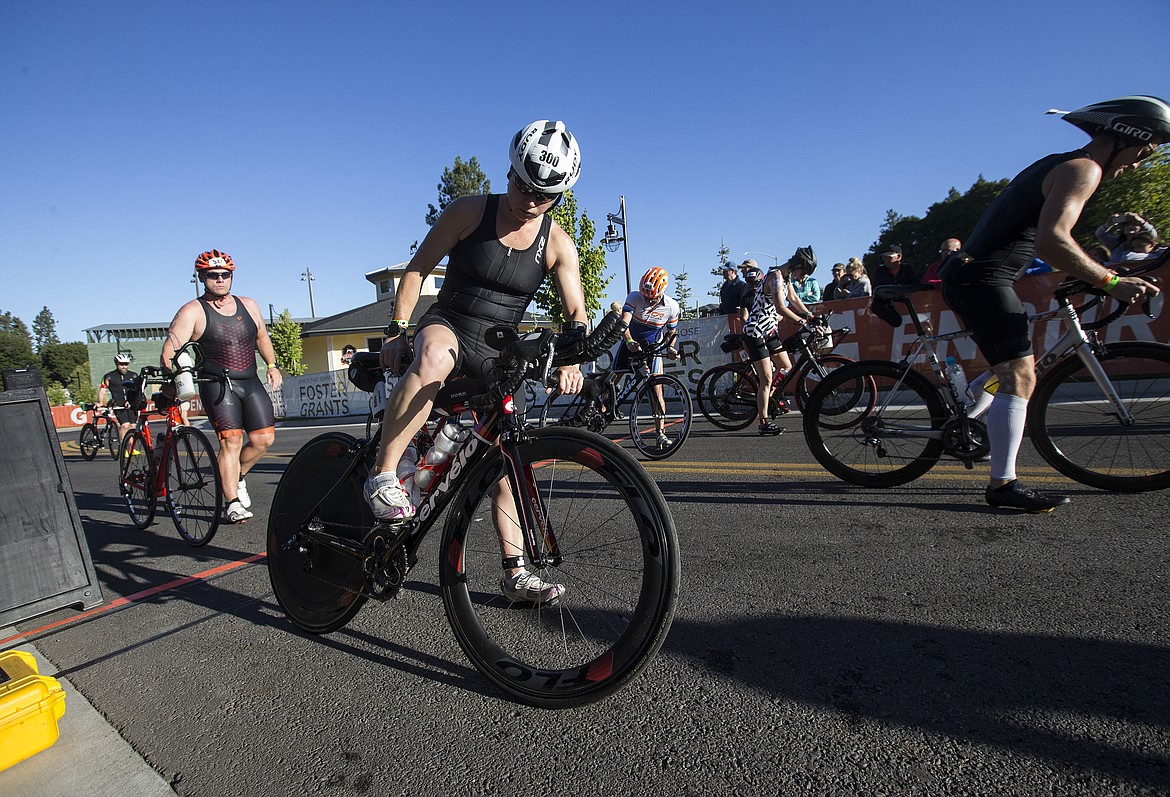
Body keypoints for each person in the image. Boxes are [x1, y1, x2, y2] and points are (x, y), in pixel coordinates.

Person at [364, 120, 587, 605]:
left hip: (497, 352)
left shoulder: (558, 243)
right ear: (508, 171)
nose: (529, 199)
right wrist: (397, 329)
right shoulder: (469, 211)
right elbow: (418, 268)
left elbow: (576, 313)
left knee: (507, 462)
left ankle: (516, 572)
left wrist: (572, 359)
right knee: (435, 356)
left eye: (543, 194)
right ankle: (382, 474)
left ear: (559, 196)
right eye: (521, 184)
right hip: (449, 323)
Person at [940, 95, 1165, 513]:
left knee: (1017, 362)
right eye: (1146, 149)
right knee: (1020, 376)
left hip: (982, 274)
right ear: (1126, 137)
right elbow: (1052, 240)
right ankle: (1002, 485)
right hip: (983, 277)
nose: (1140, 162)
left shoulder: (1065, 162)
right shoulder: (1085, 169)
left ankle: (970, 408)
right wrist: (1111, 279)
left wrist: (1093, 276)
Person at [162, 249, 283, 524]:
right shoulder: (192, 311)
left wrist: (272, 365)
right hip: (216, 385)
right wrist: (178, 376)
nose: (219, 279)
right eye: (213, 275)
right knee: (231, 441)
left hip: (249, 381)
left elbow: (262, 336)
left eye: (224, 275)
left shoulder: (249, 305)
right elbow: (170, 349)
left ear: (231, 276)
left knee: (264, 440)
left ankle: (236, 476)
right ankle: (232, 502)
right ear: (202, 277)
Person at [742, 248, 816, 436]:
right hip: (755, 332)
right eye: (804, 272)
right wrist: (802, 322)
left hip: (770, 331)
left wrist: (810, 315)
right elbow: (781, 306)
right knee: (766, 378)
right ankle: (763, 422)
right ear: (797, 266)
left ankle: (770, 398)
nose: (803, 277)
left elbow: (794, 299)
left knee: (786, 367)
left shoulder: (787, 279)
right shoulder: (775, 277)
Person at [616, 267, 681, 449]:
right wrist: (628, 341)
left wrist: (670, 348)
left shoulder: (672, 306)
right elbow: (625, 323)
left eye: (652, 297)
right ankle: (600, 414)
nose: (648, 300)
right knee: (612, 381)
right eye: (646, 296)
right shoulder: (635, 297)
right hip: (630, 342)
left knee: (656, 389)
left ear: (662, 292)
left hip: (651, 347)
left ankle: (660, 433)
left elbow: (672, 331)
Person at [98, 353, 142, 445]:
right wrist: (100, 402)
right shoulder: (109, 376)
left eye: (126, 364)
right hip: (118, 404)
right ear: (116, 364)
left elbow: (138, 390)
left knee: (133, 426)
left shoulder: (133, 375)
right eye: (121, 364)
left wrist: (135, 401)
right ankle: (123, 446)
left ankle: (131, 448)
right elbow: (102, 390)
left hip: (131, 404)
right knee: (125, 425)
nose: (124, 366)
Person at [718, 263, 747, 362]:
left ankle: (744, 370)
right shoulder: (725, 287)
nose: (723, 273)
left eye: (726, 271)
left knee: (740, 347)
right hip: (726, 324)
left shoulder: (741, 286)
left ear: (733, 271)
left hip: (739, 323)